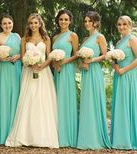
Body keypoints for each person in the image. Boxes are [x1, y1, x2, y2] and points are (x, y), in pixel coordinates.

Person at [5, 13, 59, 148]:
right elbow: (23, 58)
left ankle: (43, 137)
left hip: (43, 73)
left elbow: (49, 57)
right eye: (31, 23)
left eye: (36, 23)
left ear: (40, 24)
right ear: (28, 25)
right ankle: (25, 136)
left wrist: (41, 66)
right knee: (28, 100)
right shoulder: (24, 39)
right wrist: (29, 63)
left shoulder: (46, 38)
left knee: (42, 101)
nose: (33, 25)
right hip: (28, 72)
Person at [111, 15, 137, 150]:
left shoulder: (132, 39)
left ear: (130, 25)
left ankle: (130, 139)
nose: (121, 27)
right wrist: (114, 65)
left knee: (128, 103)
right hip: (119, 75)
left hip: (129, 75)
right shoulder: (118, 42)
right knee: (120, 104)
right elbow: (115, 60)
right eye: (119, 24)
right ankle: (120, 138)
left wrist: (124, 69)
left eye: (124, 24)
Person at [76, 11, 111, 149]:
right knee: (86, 102)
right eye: (85, 21)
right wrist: (82, 63)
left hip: (95, 71)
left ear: (95, 22)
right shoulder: (85, 40)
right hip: (85, 73)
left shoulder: (99, 37)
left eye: (89, 21)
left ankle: (96, 137)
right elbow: (80, 59)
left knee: (94, 101)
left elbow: (105, 55)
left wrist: (91, 60)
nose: (87, 24)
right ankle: (86, 136)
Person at [0, 14, 21, 144]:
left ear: (12, 23)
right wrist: (0, 57)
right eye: (4, 23)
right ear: (1, 25)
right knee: (4, 96)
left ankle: (16, 132)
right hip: (3, 69)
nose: (7, 25)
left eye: (9, 23)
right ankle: (3, 132)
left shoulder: (17, 36)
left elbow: (23, 51)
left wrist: (18, 55)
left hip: (16, 69)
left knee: (16, 96)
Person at [52, 9, 79, 147]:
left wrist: (64, 61)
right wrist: (55, 62)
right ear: (58, 21)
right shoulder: (55, 38)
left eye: (66, 20)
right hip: (57, 71)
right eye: (61, 19)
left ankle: (68, 135)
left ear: (70, 21)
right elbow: (51, 55)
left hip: (67, 70)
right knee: (56, 99)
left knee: (66, 99)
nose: (63, 22)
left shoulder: (72, 35)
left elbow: (76, 54)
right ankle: (56, 134)